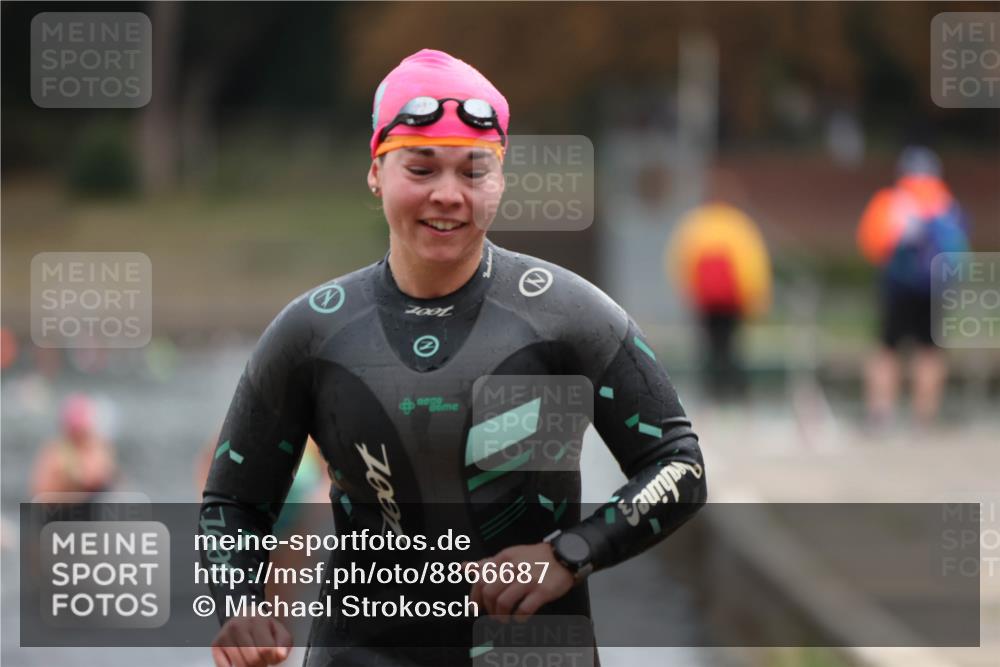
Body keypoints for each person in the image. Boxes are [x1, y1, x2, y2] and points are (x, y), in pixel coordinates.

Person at [200, 48, 707, 667]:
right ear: (375, 172)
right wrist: (239, 603)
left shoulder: (569, 317)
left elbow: (679, 467)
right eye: (421, 168)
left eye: (474, 172)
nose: (449, 195)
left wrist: (570, 553)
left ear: (501, 179)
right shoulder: (313, 331)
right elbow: (233, 505)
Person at [857, 146, 969, 426]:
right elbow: (959, 253)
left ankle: (880, 412)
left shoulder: (891, 201)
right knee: (929, 352)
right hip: (934, 289)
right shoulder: (946, 204)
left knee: (887, 348)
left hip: (896, 287)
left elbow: (871, 245)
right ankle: (925, 416)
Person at [667, 197, 772, 400]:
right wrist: (757, 297)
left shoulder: (695, 225)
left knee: (709, 345)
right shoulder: (738, 225)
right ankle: (735, 391)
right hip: (733, 302)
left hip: (705, 301)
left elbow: (678, 260)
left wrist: (686, 291)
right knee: (732, 345)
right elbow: (751, 266)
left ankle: (712, 390)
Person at [32, 393, 118, 498]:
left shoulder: (98, 448)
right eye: (74, 432)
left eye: (82, 432)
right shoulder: (54, 452)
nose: (78, 436)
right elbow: (40, 491)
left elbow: (98, 476)